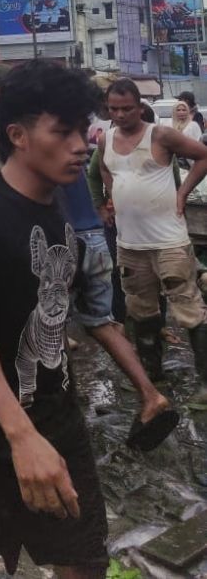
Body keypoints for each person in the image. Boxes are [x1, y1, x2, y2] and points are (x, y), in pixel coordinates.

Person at [0, 60, 109, 578]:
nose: (81, 144)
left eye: (83, 129)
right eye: (63, 131)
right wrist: (20, 435)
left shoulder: (66, 209)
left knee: (85, 558)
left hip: (58, 419)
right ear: (18, 135)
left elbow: (68, 315)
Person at [98, 78, 207, 403]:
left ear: (139, 106)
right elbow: (104, 169)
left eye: (126, 108)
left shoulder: (159, 134)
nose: (119, 115)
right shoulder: (106, 139)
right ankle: (152, 376)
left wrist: (183, 193)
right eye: (113, 109)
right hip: (130, 244)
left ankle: (204, 385)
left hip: (169, 241)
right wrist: (109, 197)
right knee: (141, 310)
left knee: (188, 308)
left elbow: (202, 156)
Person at [60, 169, 178, 451]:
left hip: (64, 238)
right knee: (102, 324)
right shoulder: (69, 145)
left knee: (50, 327)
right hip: (95, 238)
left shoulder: (34, 146)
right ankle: (151, 395)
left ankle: (62, 406)